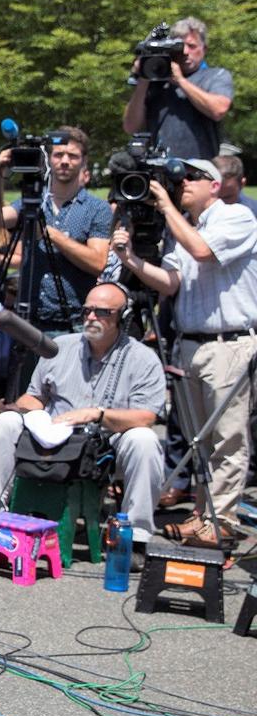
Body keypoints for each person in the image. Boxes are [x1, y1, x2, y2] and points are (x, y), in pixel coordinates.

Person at [112, 158, 257, 546]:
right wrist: (130, 260)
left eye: (193, 177)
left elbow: (203, 251)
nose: (185, 183)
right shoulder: (185, 227)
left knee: (228, 437)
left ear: (215, 185)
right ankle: (202, 513)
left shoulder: (236, 216)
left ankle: (222, 520)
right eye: (182, 178)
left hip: (228, 343)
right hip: (190, 343)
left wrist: (166, 206)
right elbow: (170, 283)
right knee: (200, 439)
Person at [0, 283, 165, 539]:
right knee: (6, 422)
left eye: (102, 312)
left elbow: (146, 417)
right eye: (87, 310)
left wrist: (96, 414)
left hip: (107, 445)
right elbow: (35, 398)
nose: (91, 317)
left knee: (144, 440)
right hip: (55, 441)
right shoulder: (59, 347)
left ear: (123, 316)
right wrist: (13, 407)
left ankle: (136, 538)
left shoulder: (143, 358)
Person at [0, 126, 111, 336]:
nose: (65, 161)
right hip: (29, 320)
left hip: (74, 323)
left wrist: (51, 235)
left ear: (84, 161)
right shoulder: (32, 202)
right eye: (59, 154)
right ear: (49, 159)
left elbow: (98, 263)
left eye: (73, 156)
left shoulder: (97, 208)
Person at [123, 16, 234, 160]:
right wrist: (144, 76)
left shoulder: (215, 76)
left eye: (192, 46)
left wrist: (180, 80)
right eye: (180, 47)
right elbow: (130, 127)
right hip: (160, 167)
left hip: (201, 170)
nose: (186, 52)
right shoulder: (156, 81)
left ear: (204, 48)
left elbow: (218, 110)